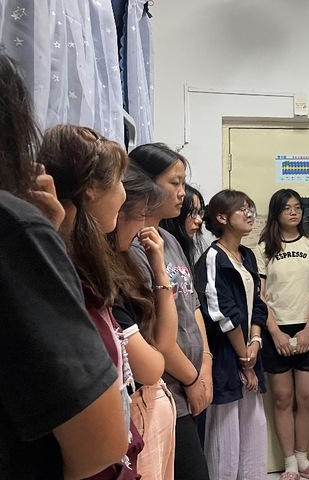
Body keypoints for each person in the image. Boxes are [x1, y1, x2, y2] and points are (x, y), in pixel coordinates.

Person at [0, 47, 128, 479]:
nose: (126, 194)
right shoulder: (16, 229)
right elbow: (103, 441)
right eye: (120, 181)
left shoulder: (46, 238)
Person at [38, 124, 144, 479]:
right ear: (92, 190)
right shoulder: (62, 281)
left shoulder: (84, 271)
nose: (124, 195)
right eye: (119, 182)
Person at [128, 143, 213, 480]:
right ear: (144, 184)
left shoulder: (168, 238)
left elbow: (192, 305)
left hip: (193, 383)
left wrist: (205, 363)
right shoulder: (133, 248)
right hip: (166, 392)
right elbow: (153, 334)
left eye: (183, 183)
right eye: (174, 183)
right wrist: (191, 378)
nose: (182, 193)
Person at [256, 188, 309, 480]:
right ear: (276, 212)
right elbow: (260, 296)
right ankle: (289, 464)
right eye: (287, 207)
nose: (293, 212)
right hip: (276, 329)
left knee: (308, 397)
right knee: (282, 398)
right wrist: (274, 331)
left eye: (298, 207)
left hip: (308, 328)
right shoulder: (264, 247)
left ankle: (303, 459)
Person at [194, 189, 269, 480]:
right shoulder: (213, 257)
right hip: (226, 357)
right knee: (224, 438)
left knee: (253, 432)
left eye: (251, 209)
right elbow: (221, 312)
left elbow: (258, 304)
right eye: (243, 209)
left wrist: (255, 343)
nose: (250, 215)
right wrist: (244, 359)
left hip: (249, 352)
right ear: (222, 218)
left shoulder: (247, 255)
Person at [112, 162, 180, 479]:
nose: (144, 225)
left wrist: (160, 271)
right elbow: (153, 365)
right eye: (140, 214)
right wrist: (191, 376)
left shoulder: (132, 257)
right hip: (137, 406)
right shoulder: (101, 277)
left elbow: (163, 343)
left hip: (151, 406)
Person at [161, 184, 206, 265]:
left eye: (199, 213)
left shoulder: (180, 247)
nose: (199, 220)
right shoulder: (159, 248)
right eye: (193, 212)